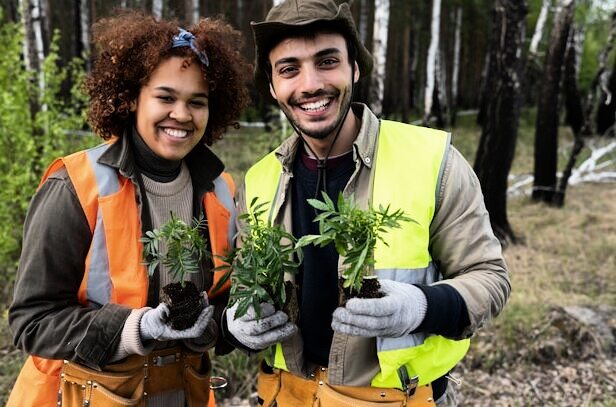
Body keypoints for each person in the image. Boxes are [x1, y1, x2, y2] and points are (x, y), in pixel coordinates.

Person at [222, 0, 511, 406]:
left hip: (400, 398)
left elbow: (490, 278)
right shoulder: (258, 180)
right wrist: (238, 319)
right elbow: (245, 283)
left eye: (327, 61)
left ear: (355, 68)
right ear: (272, 87)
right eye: (289, 69)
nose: (309, 84)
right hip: (287, 396)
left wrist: (421, 306)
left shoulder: (431, 160)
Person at [8, 9, 250, 407]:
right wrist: (131, 329)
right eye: (165, 97)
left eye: (198, 102)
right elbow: (32, 321)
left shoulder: (220, 190)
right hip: (81, 395)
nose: (182, 115)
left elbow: (219, 302)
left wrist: (230, 325)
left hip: (183, 393)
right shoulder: (75, 184)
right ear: (131, 98)